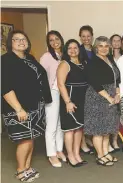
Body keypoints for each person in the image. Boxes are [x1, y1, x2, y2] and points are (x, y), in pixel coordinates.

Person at [2, 30, 52, 182]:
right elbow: (4, 87)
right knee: (24, 140)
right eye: (16, 39)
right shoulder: (5, 60)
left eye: (24, 39)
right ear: (11, 43)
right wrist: (18, 108)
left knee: (31, 138)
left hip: (35, 106)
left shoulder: (30, 58)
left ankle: (27, 167)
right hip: (18, 108)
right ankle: (20, 170)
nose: (21, 41)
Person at [84, 36, 121, 166]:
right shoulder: (92, 62)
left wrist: (117, 93)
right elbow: (94, 82)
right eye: (101, 46)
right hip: (97, 97)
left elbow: (118, 78)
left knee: (107, 128)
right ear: (96, 47)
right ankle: (100, 155)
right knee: (98, 129)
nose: (104, 48)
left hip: (111, 95)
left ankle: (105, 152)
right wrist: (109, 97)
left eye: (106, 46)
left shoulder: (110, 59)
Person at [57, 39, 89, 167]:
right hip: (70, 99)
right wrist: (67, 102)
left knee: (79, 128)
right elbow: (60, 84)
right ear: (66, 50)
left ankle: (77, 153)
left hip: (82, 99)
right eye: (70, 48)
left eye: (75, 47)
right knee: (70, 129)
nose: (73, 50)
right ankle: (70, 155)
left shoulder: (83, 63)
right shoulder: (65, 64)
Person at [39, 30, 67, 167]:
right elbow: (41, 77)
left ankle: (59, 150)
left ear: (61, 39)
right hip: (52, 92)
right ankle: (51, 154)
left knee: (60, 124)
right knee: (51, 125)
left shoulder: (65, 55)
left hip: (64, 92)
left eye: (57, 38)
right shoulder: (46, 56)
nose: (54, 42)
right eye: (51, 40)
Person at [79, 25, 96, 155]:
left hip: (95, 87)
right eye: (83, 36)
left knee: (92, 115)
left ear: (92, 36)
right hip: (83, 87)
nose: (86, 38)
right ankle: (83, 143)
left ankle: (90, 139)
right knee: (83, 116)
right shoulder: (77, 50)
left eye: (88, 36)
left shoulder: (96, 49)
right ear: (80, 37)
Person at [108, 34, 123, 153]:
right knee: (110, 116)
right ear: (111, 43)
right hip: (111, 89)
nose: (117, 43)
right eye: (114, 41)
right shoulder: (107, 57)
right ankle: (109, 141)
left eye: (119, 41)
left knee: (119, 116)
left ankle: (115, 140)